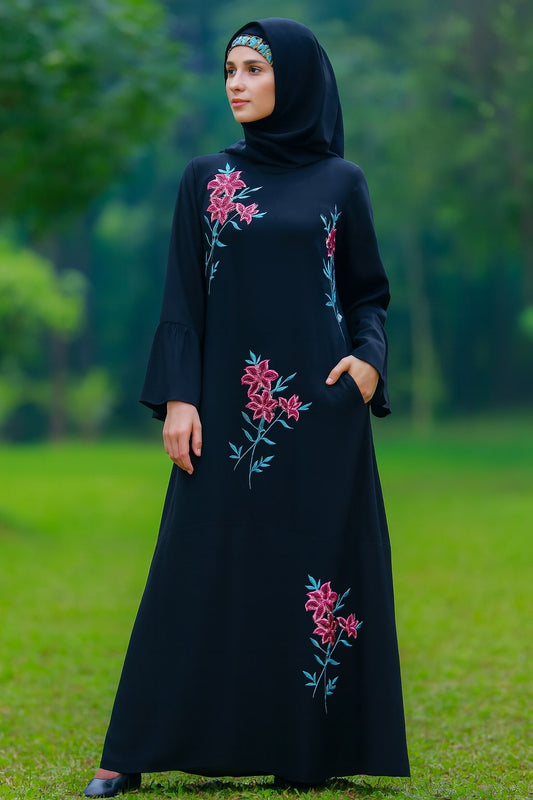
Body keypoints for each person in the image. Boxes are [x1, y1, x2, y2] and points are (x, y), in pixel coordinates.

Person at [83, 17, 409, 798]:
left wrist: (368, 364)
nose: (235, 82)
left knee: (310, 577)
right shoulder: (203, 177)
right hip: (228, 421)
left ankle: (305, 750)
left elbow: (368, 294)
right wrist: (180, 398)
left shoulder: (341, 183)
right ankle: (125, 753)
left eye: (253, 69)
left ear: (292, 79)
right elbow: (182, 299)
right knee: (190, 570)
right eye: (229, 68)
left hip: (324, 418)